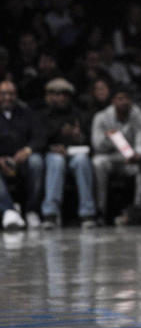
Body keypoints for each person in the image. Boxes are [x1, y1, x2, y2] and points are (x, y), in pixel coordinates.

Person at [35, 77, 98, 228]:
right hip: (52, 154)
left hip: (75, 153)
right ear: (49, 96)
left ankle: (87, 213)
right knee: (56, 161)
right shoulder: (42, 116)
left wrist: (79, 137)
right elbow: (37, 140)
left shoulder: (79, 115)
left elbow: (91, 141)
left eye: (64, 94)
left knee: (82, 160)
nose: (61, 97)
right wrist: (52, 146)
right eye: (57, 94)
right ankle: (50, 214)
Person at [90, 84, 141, 218]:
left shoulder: (139, 116)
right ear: (113, 101)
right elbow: (97, 147)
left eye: (127, 98)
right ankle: (100, 210)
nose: (124, 102)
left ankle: (138, 209)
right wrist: (108, 138)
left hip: (130, 160)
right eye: (120, 98)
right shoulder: (101, 117)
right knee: (98, 163)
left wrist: (137, 155)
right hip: (109, 158)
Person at [0, 80, 45, 230]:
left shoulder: (27, 113)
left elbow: (39, 137)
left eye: (11, 94)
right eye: (3, 94)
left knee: (36, 161)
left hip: (23, 159)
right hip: (1, 161)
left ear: (17, 95)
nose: (7, 97)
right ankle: (9, 210)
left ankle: (32, 211)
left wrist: (27, 150)